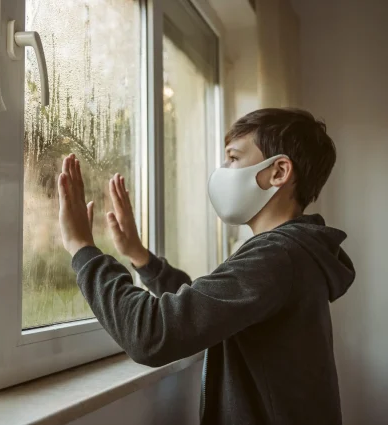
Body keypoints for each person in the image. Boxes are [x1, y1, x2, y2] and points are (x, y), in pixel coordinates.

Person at [57, 107, 355, 425]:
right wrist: (142, 259)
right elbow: (205, 309)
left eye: (234, 158)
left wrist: (83, 250)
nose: (223, 170)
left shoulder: (277, 256)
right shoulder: (290, 253)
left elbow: (151, 335)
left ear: (279, 172)